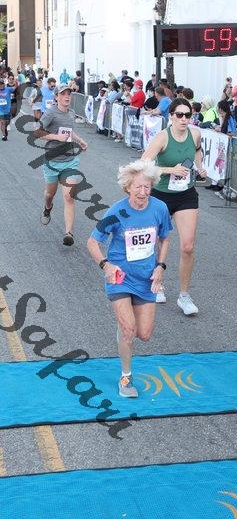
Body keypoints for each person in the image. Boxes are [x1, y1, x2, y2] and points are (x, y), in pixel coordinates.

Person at [87, 160, 172, 397]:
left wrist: (161, 266)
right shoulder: (117, 211)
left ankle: (125, 325)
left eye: (147, 187)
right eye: (138, 187)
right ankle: (126, 377)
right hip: (120, 277)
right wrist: (106, 265)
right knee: (128, 329)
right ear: (128, 187)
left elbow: (165, 238)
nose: (143, 192)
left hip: (146, 279)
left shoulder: (160, 208)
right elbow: (92, 242)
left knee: (144, 334)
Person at [141, 97, 207, 315]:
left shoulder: (195, 134)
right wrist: (171, 170)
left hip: (186, 195)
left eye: (188, 115)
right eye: (179, 115)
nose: (184, 119)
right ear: (171, 116)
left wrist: (200, 167)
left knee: (188, 246)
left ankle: (184, 295)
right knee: (159, 242)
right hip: (161, 195)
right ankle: (157, 283)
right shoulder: (162, 137)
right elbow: (143, 163)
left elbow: (197, 150)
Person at [34, 84, 88, 246]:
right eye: (63, 94)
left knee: (69, 196)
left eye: (68, 94)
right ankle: (47, 207)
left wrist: (80, 140)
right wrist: (56, 137)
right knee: (49, 194)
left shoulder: (71, 113)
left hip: (69, 160)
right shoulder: (50, 113)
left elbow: (69, 132)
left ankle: (68, 233)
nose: (66, 97)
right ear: (56, 96)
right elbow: (37, 132)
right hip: (52, 161)